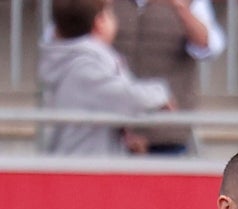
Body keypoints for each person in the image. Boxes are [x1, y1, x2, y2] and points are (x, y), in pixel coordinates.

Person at [39, 0, 172, 155]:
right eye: (111, 13)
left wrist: (123, 138)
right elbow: (126, 97)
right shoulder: (85, 66)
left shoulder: (83, 61)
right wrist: (160, 95)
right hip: (83, 161)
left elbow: (102, 107)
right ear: (100, 22)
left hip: (90, 157)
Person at [112, 0, 226, 154]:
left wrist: (180, 8)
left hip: (166, 131)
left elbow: (209, 45)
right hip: (110, 129)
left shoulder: (192, 2)